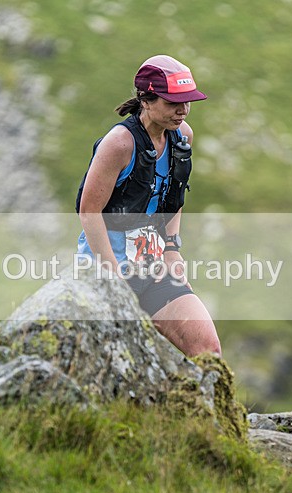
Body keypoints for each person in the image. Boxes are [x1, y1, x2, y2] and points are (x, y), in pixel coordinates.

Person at [76, 54, 221, 357]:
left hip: (153, 268)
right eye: (172, 103)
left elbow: (174, 197)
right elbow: (88, 211)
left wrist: (171, 248)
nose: (182, 111)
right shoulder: (119, 144)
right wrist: (113, 280)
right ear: (146, 99)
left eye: (187, 102)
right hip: (108, 268)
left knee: (207, 348)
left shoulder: (182, 137)